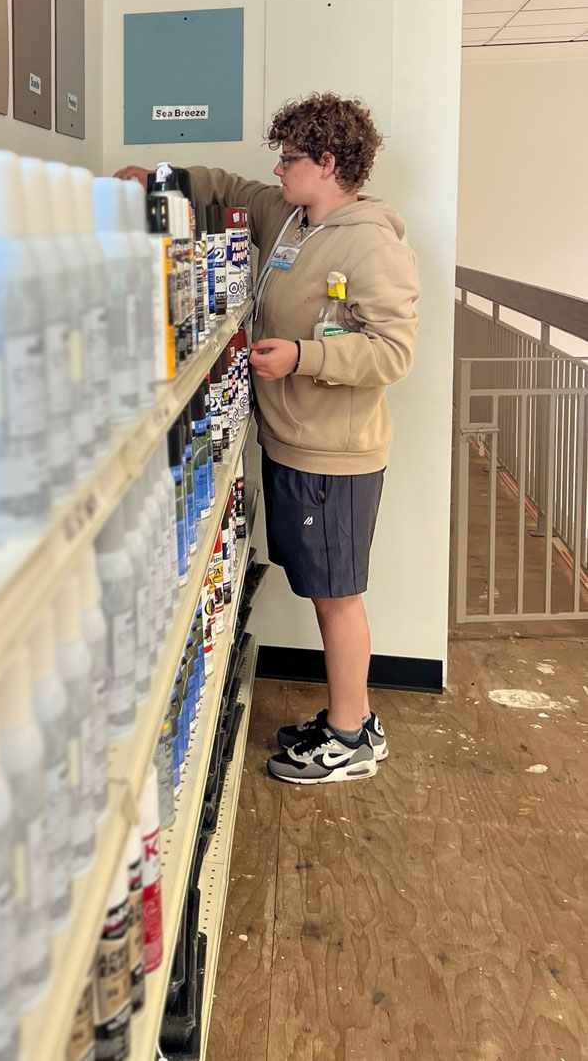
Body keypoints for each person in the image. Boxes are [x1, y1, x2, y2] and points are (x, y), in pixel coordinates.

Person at [117, 93, 418, 784]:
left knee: (334, 593)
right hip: (288, 441)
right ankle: (348, 716)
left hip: (333, 455)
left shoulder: (372, 242)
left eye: (288, 159)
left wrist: (303, 357)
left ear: (328, 162)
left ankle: (351, 737)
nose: (276, 170)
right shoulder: (288, 217)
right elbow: (225, 188)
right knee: (320, 583)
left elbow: (390, 354)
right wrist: (152, 175)